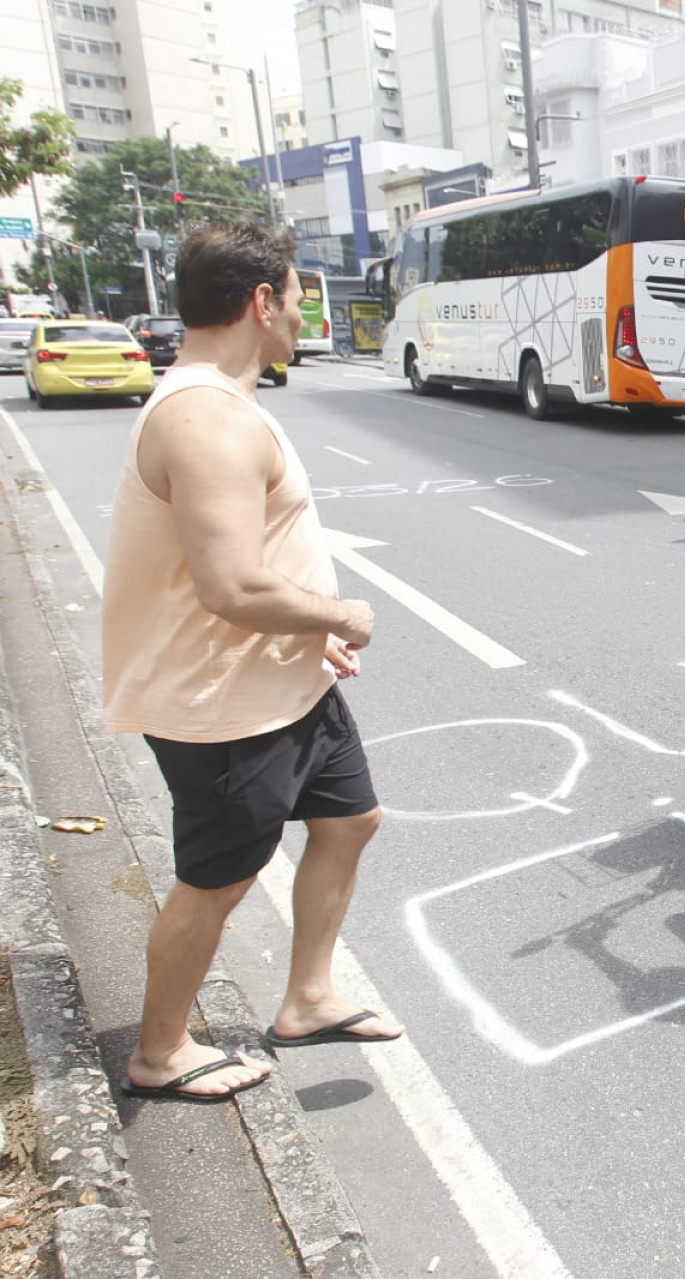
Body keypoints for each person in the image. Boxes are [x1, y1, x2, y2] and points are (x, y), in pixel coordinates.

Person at [103, 223, 400, 1104]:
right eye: (299, 298)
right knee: (218, 879)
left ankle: (308, 997)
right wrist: (340, 613)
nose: (304, 316)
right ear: (261, 302)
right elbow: (231, 583)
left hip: (287, 682)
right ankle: (161, 1049)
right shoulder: (206, 419)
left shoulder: (227, 404)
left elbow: (250, 561)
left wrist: (307, 633)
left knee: (350, 819)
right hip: (224, 706)